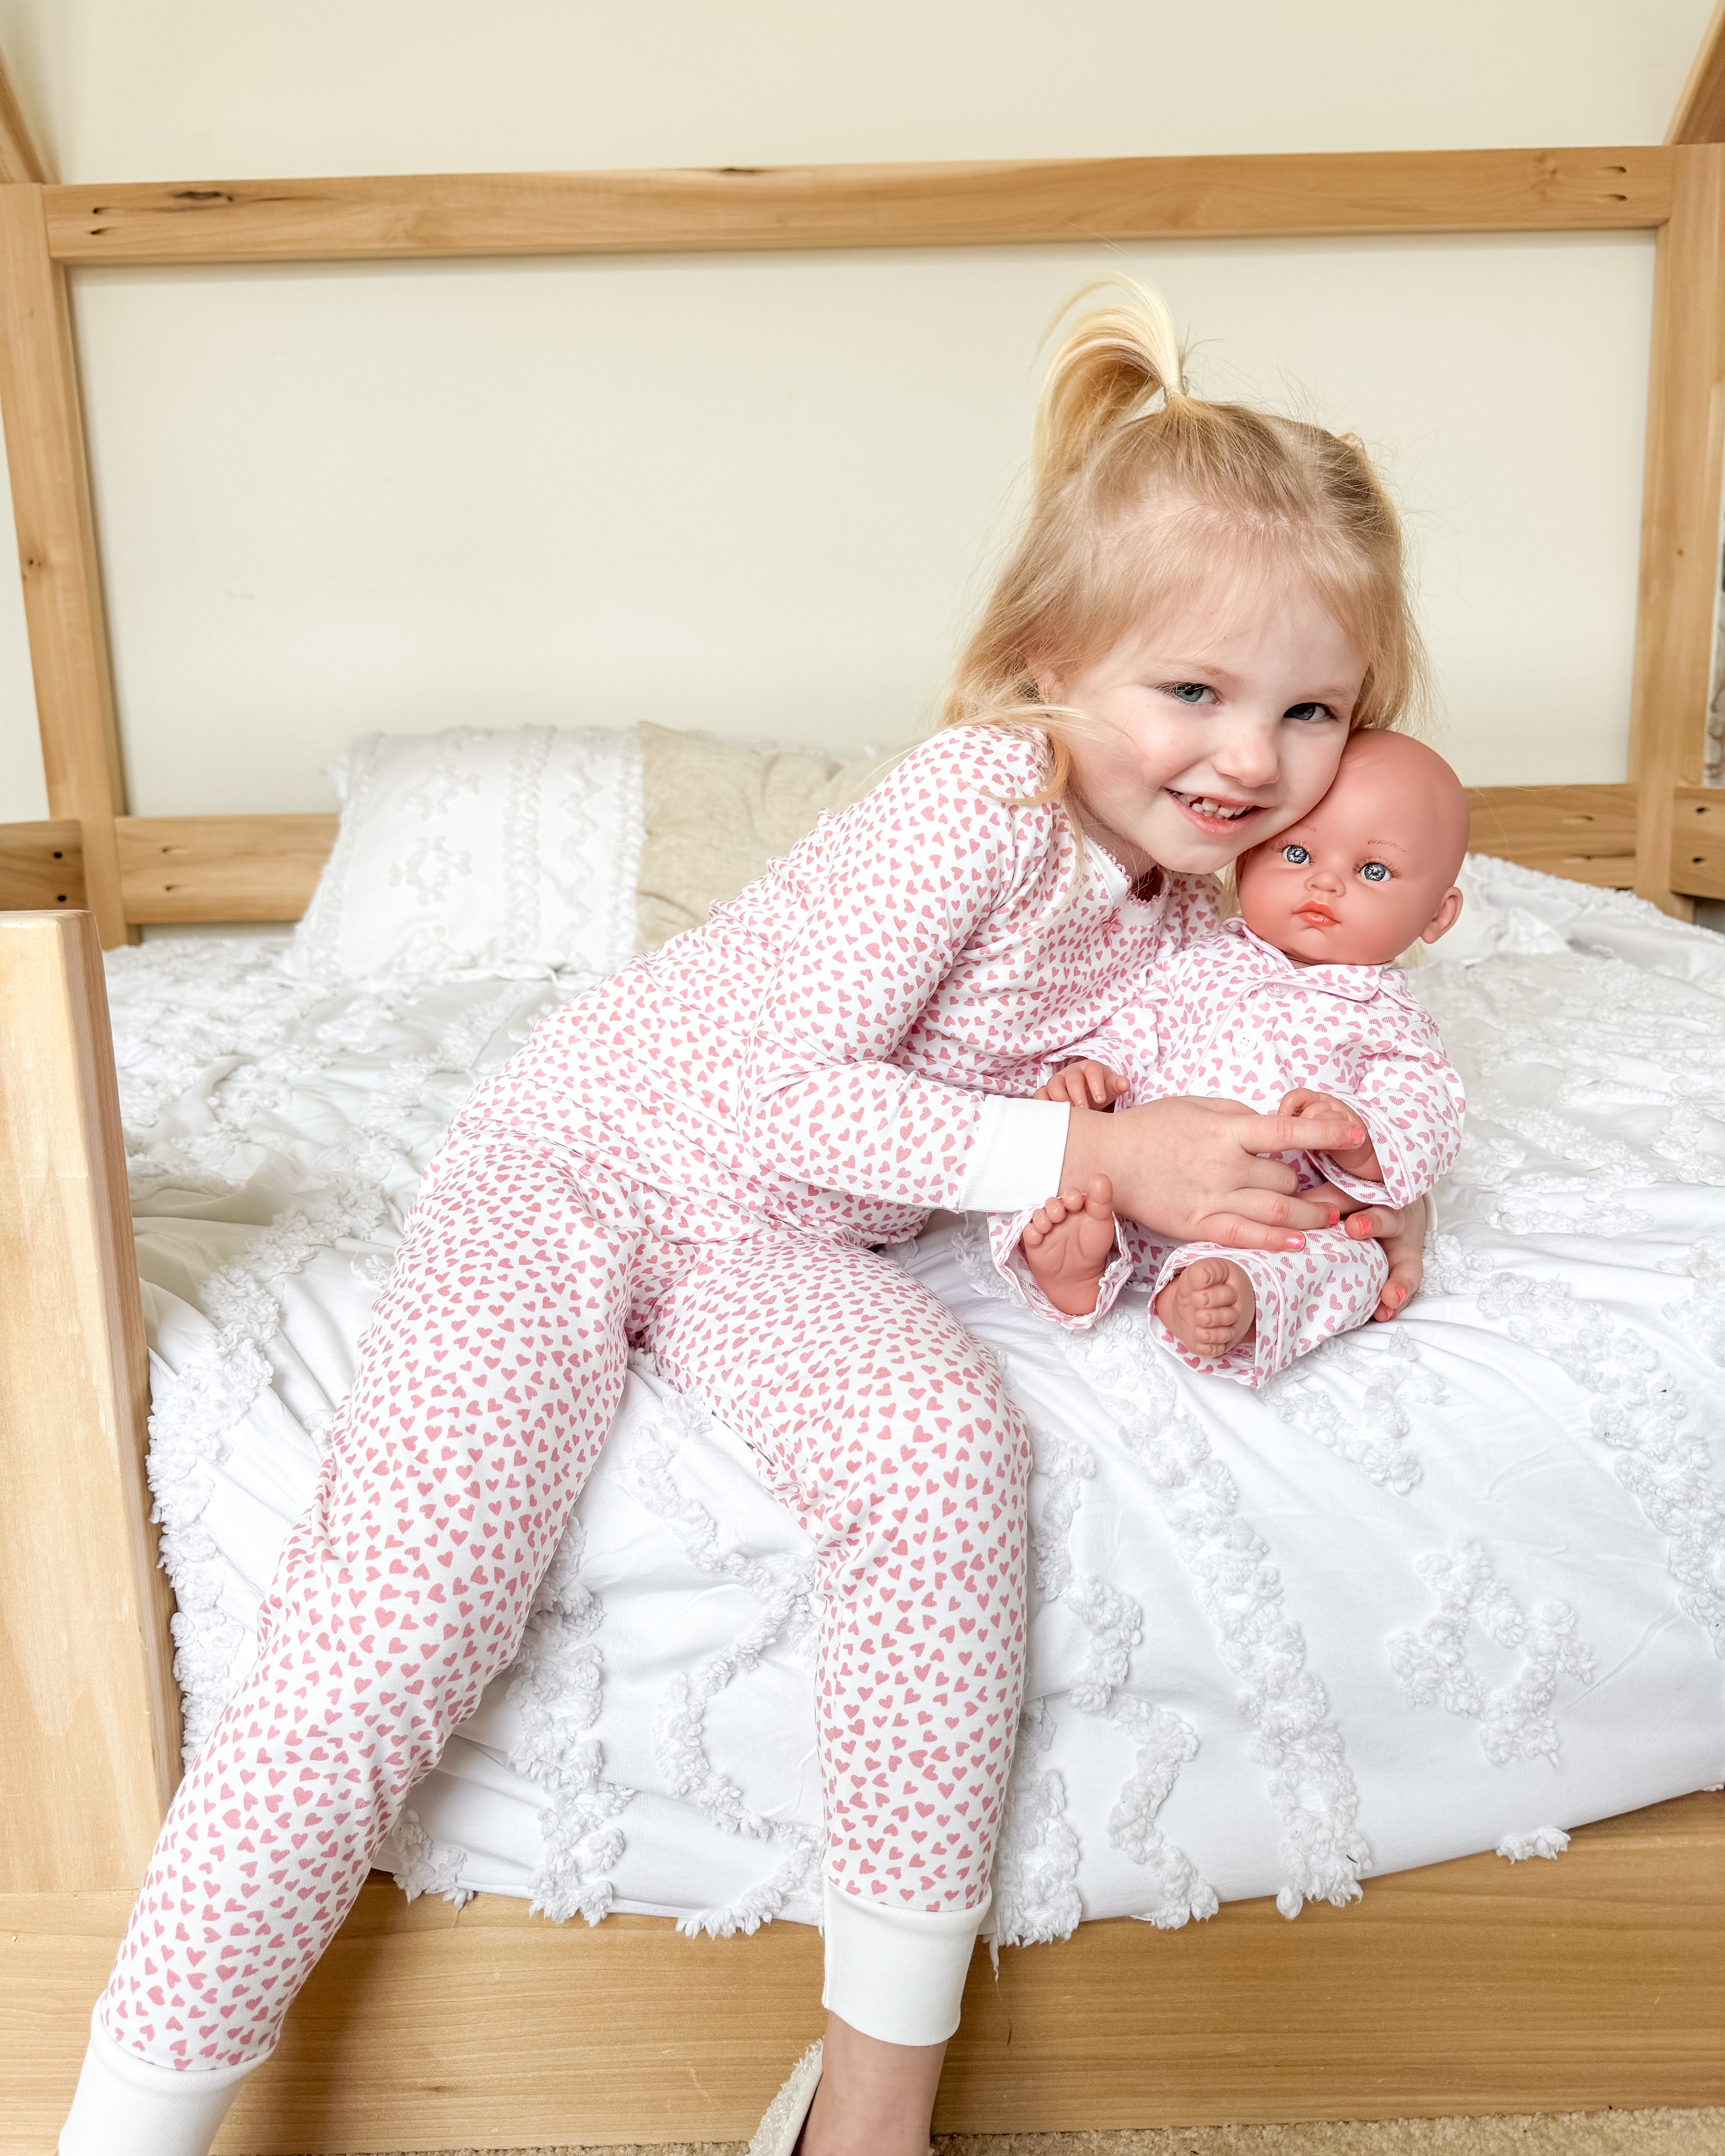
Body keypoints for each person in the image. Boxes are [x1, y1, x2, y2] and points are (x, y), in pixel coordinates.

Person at [60, 285, 1429, 2156]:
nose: (1249, 759)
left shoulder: (1196, 909)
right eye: (1191, 690)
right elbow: (787, 1097)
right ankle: (125, 2125)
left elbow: (1246, 1092)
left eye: (1309, 711)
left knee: (946, 1457)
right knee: (391, 1620)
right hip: (588, 1164)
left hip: (786, 1238)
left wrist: (1341, 1204)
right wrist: (1090, 1162)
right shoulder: (976, 799)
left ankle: (867, 2113)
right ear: (1050, 660)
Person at [1011, 729, 1467, 1384]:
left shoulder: (1387, 1016)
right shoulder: (1202, 959)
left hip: (1278, 1211)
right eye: (1297, 851)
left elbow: (1425, 1107)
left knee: (1359, 1254)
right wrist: (1097, 1070)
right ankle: (1076, 1265)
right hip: (1143, 1185)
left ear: (1437, 915)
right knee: (1052, 1159)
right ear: (1246, 857)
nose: (1324, 882)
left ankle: (1225, 1295)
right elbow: (1140, 1026)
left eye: (1373, 871)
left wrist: (1362, 1138)